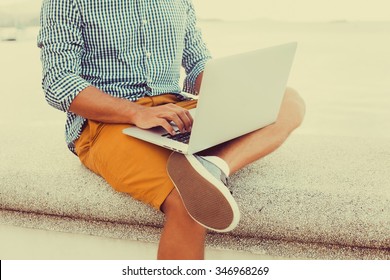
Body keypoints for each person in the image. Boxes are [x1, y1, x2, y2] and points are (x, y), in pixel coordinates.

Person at [38, 0, 305, 260]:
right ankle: (200, 180)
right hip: (107, 122)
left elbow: (199, 62)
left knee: (287, 99)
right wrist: (136, 113)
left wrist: (234, 92)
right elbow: (59, 83)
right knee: (190, 200)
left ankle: (215, 168)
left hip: (175, 109)